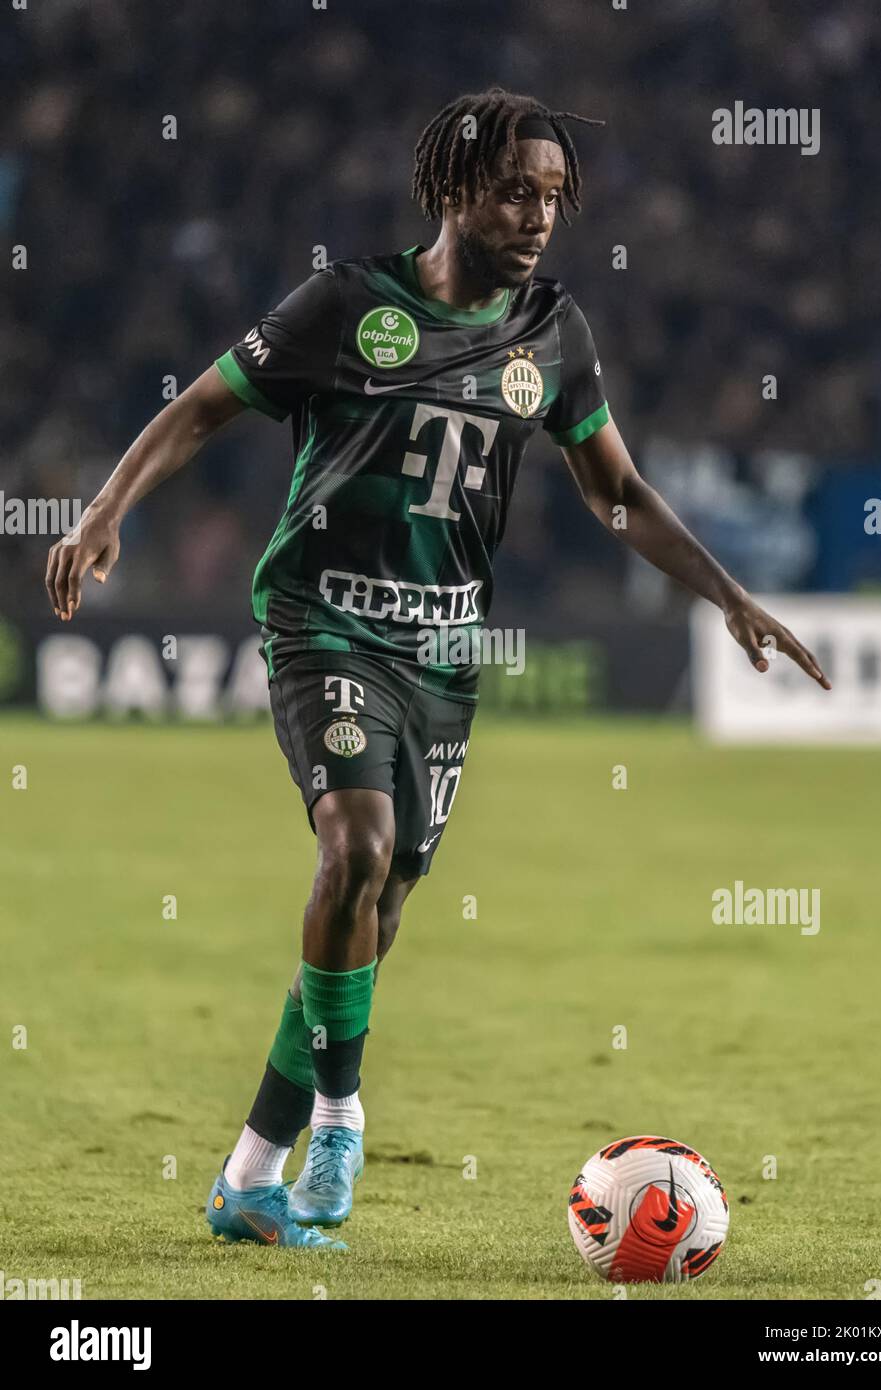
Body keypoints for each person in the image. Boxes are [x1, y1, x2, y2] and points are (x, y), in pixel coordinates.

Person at [45, 88, 830, 1252]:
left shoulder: (552, 334)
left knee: (377, 911)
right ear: (454, 190)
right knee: (352, 847)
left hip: (447, 651)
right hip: (324, 621)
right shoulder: (348, 304)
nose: (538, 216)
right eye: (517, 190)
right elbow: (206, 407)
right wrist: (107, 508)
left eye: (554, 197)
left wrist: (729, 596)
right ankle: (340, 1115)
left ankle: (250, 1174)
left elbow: (613, 492)